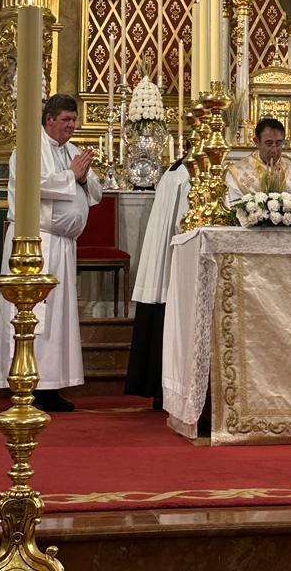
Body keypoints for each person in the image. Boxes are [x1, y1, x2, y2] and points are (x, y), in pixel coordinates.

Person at [0, 94, 102, 412]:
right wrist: (72, 176)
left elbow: (96, 190)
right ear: (49, 118)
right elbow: (32, 185)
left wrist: (81, 176)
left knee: (59, 317)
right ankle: (27, 383)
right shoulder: (26, 148)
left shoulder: (71, 150)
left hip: (63, 245)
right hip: (35, 241)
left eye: (74, 119)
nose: (73, 125)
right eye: (67, 119)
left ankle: (51, 384)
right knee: (34, 315)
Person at [125, 156, 190, 409]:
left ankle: (156, 388)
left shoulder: (175, 170)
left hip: (162, 257)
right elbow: (184, 221)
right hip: (175, 257)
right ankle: (165, 389)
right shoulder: (189, 174)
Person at [225, 117, 291, 207]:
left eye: (279, 143)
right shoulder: (237, 173)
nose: (274, 150)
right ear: (256, 142)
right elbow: (232, 210)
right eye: (269, 143)